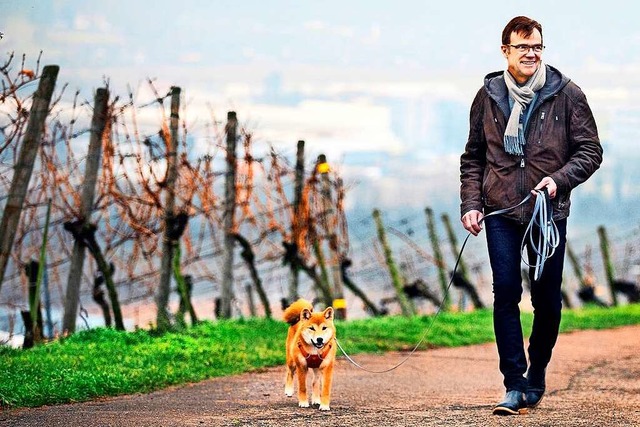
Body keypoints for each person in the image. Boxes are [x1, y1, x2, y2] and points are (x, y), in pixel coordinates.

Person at [459, 16, 603, 415]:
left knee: (546, 299)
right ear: (505, 50)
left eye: (537, 46)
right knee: (505, 292)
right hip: (500, 211)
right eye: (522, 46)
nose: (531, 53)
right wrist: (471, 205)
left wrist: (558, 181)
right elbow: (473, 157)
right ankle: (513, 382)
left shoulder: (567, 94)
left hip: (547, 213)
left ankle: (536, 373)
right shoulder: (487, 97)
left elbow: (591, 152)